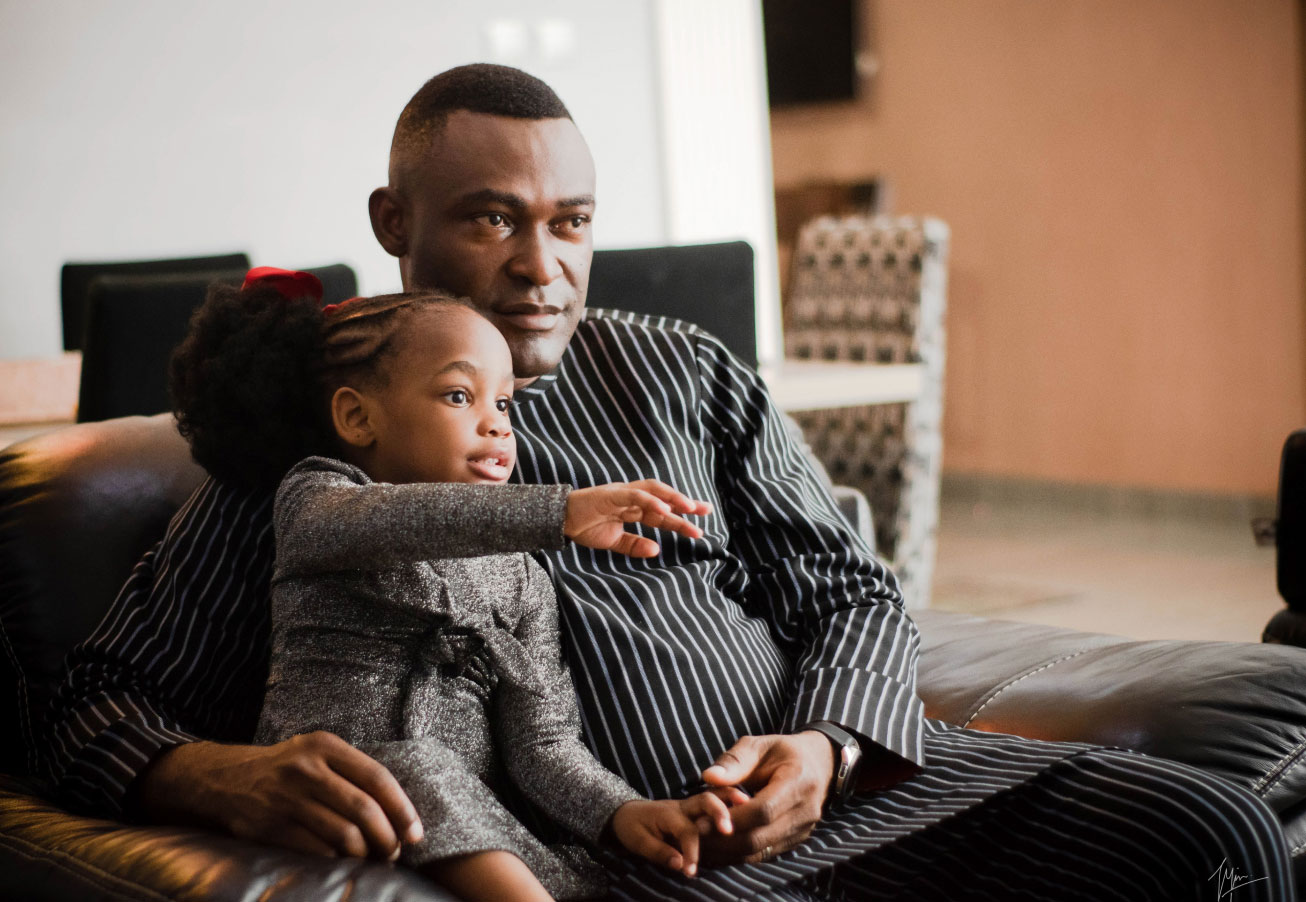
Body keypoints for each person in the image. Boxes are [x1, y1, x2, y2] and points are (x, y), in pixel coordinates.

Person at [48, 64, 1294, 900]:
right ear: (394, 218)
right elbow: (91, 693)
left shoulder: (683, 369)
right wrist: (202, 771)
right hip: (638, 859)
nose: (543, 265)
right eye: (492, 219)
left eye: (571, 221)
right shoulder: (327, 427)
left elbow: (851, 591)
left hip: (861, 800)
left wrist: (827, 741)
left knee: (1217, 836)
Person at [166, 267, 734, 901]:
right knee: (414, 764)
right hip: (337, 797)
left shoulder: (522, 575)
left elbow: (543, 743)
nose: (496, 425)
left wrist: (623, 813)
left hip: (453, 820)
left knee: (591, 869)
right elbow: (405, 520)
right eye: (460, 396)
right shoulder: (318, 500)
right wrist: (557, 510)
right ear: (357, 418)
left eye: (505, 403)